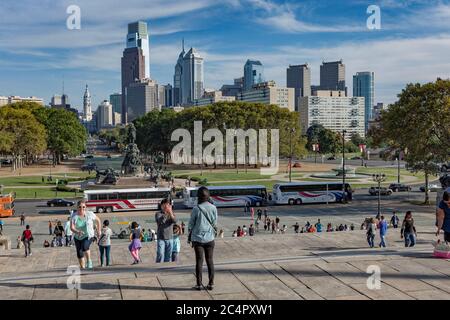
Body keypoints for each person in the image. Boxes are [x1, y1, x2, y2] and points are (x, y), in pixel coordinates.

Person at [188, 186, 218, 291]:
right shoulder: (214, 208)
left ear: (199, 197)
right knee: (210, 261)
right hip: (210, 238)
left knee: (199, 262)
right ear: (208, 196)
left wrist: (190, 233)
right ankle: (211, 283)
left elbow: (191, 224)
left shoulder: (196, 208)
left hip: (198, 239)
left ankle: (199, 284)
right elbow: (215, 222)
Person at [70, 200, 101, 269]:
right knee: (79, 254)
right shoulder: (74, 215)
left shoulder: (90, 214)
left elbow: (98, 220)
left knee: (84, 247)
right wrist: (78, 232)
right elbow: (71, 228)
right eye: (80, 207)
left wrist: (99, 231)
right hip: (77, 237)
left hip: (88, 235)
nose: (82, 208)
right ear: (77, 207)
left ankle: (89, 261)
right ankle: (82, 267)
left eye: (83, 207)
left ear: (85, 207)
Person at [155, 198, 177, 263]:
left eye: (167, 205)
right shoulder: (158, 214)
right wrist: (166, 213)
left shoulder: (172, 214)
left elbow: (175, 221)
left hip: (170, 237)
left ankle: (166, 267)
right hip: (161, 238)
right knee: (160, 254)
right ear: (161, 206)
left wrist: (170, 212)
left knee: (168, 256)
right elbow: (161, 222)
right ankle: (158, 266)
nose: (166, 207)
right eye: (164, 206)